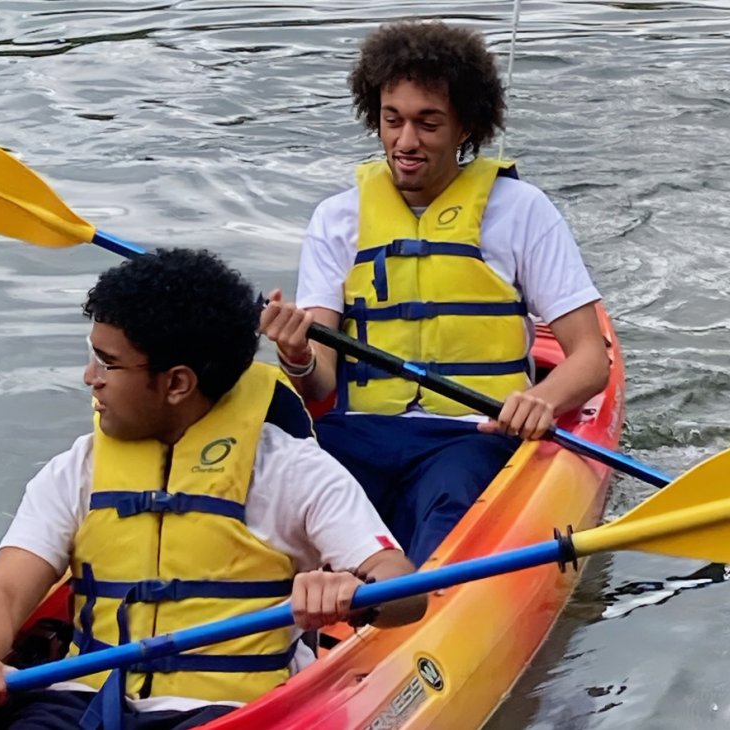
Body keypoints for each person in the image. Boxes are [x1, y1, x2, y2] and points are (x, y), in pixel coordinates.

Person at [0, 248, 426, 730]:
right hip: (82, 702)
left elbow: (405, 590)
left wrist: (359, 592)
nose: (90, 378)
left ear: (176, 384)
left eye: (107, 363)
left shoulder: (293, 471)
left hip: (236, 712)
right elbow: (3, 589)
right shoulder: (76, 470)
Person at [260, 20, 610, 565]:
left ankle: (413, 621)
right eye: (392, 120)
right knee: (279, 503)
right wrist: (298, 355)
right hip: (357, 434)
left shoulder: (521, 212)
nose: (406, 142)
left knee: (445, 508)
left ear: (466, 126)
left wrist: (539, 401)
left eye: (428, 124)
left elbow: (590, 360)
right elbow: (319, 381)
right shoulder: (336, 219)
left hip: (473, 435)